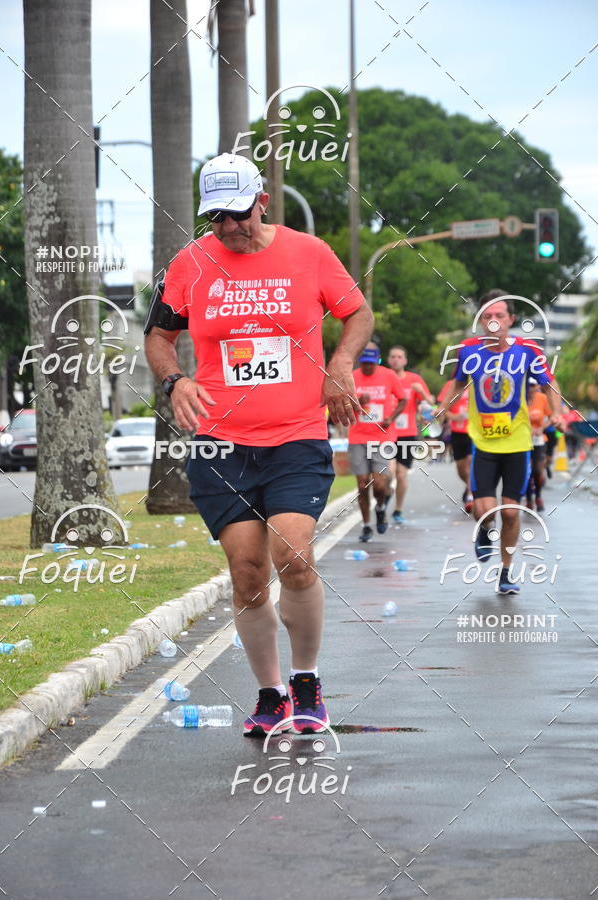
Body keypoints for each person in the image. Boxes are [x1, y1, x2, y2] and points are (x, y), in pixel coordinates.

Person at [144, 153, 373, 736]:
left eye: (237, 214)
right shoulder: (190, 264)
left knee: (293, 555)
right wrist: (176, 380)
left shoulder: (310, 254)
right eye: (215, 217)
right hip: (221, 444)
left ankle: (307, 682)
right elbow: (159, 337)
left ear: (262, 202)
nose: (227, 228)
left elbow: (357, 313)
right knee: (246, 572)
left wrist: (341, 363)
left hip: (297, 434)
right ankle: (270, 693)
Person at [441, 289, 564, 595]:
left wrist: (558, 413)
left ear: (511, 319)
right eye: (487, 316)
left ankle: (506, 572)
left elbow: (550, 385)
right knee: (483, 509)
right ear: (480, 321)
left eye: (499, 315)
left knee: (511, 512)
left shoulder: (528, 352)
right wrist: (440, 409)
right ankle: (484, 530)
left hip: (518, 444)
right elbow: (457, 383)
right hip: (483, 444)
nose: (493, 321)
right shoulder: (469, 352)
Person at [347, 342, 406, 541]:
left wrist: (391, 418)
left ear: (377, 361)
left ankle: (380, 507)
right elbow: (342, 402)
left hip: (382, 437)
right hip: (358, 437)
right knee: (363, 484)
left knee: (380, 484)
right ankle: (366, 525)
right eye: (364, 363)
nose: (367, 367)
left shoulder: (389, 375)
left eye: (371, 363)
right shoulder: (352, 377)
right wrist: (357, 402)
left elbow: (403, 399)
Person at [386, 345, 434, 523]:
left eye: (399, 357)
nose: (396, 360)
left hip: (407, 433)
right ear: (388, 359)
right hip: (386, 433)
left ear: (405, 361)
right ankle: (386, 492)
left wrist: (420, 392)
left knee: (401, 473)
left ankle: (398, 509)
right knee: (388, 472)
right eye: (393, 356)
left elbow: (431, 402)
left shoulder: (414, 379)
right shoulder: (383, 377)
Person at [438, 378, 473, 512]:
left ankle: (470, 495)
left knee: (470, 462)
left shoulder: (480, 380)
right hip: (458, 432)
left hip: (475, 431)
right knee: (461, 469)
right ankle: (470, 486)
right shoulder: (451, 384)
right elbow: (442, 409)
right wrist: (453, 416)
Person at [525, 378, 551, 512]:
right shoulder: (520, 397)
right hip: (523, 439)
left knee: (537, 470)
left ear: (537, 387)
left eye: (533, 385)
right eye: (528, 385)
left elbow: (550, 417)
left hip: (539, 439)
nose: (530, 388)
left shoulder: (542, 398)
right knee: (527, 471)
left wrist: (542, 428)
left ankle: (538, 496)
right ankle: (529, 499)